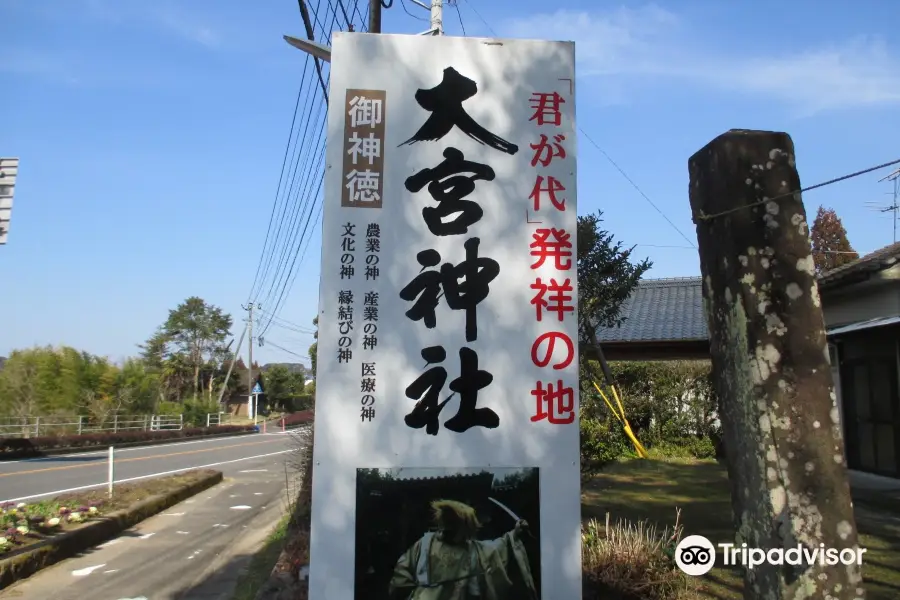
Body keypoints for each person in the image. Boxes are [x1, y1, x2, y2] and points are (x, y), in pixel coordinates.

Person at [388, 499, 538, 600]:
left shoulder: (475, 549)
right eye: (448, 522)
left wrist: (515, 533)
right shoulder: (425, 543)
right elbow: (401, 575)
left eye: (455, 523)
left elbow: (498, 546)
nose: (450, 528)